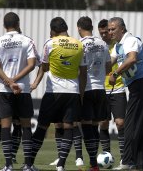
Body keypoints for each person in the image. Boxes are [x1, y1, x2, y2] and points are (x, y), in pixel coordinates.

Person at [30, 17, 87, 171]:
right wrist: (80, 95)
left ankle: (29, 164)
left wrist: (35, 83)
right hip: (72, 92)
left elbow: (45, 67)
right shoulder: (79, 44)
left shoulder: (50, 43)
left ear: (52, 31)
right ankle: (61, 165)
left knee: (42, 126)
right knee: (69, 127)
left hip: (53, 92)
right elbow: (83, 73)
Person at [0, 12, 39, 171]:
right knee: (25, 126)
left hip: (4, 90)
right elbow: (32, 64)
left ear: (4, 26)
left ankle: (8, 165)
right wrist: (16, 80)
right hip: (23, 90)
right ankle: (28, 165)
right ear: (18, 24)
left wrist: (9, 81)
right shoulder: (28, 41)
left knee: (5, 126)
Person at [108, 17, 143, 170]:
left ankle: (127, 161)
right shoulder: (118, 46)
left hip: (142, 84)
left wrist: (115, 74)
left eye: (113, 29)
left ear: (122, 29)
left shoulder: (131, 40)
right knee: (140, 125)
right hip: (135, 86)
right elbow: (110, 62)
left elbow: (132, 59)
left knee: (131, 123)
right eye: (109, 29)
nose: (110, 32)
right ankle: (141, 164)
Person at [77, 16, 111, 171]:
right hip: (100, 90)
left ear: (79, 28)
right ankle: (95, 162)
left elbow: (80, 70)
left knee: (86, 127)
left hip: (87, 89)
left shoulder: (80, 45)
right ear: (91, 27)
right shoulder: (103, 44)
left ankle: (93, 163)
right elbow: (109, 68)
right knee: (95, 127)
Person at [98, 19, 126, 162]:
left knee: (120, 122)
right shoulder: (98, 47)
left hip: (118, 89)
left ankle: (123, 157)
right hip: (102, 90)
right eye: (101, 33)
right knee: (103, 123)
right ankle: (107, 156)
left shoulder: (118, 46)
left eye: (107, 32)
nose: (104, 35)